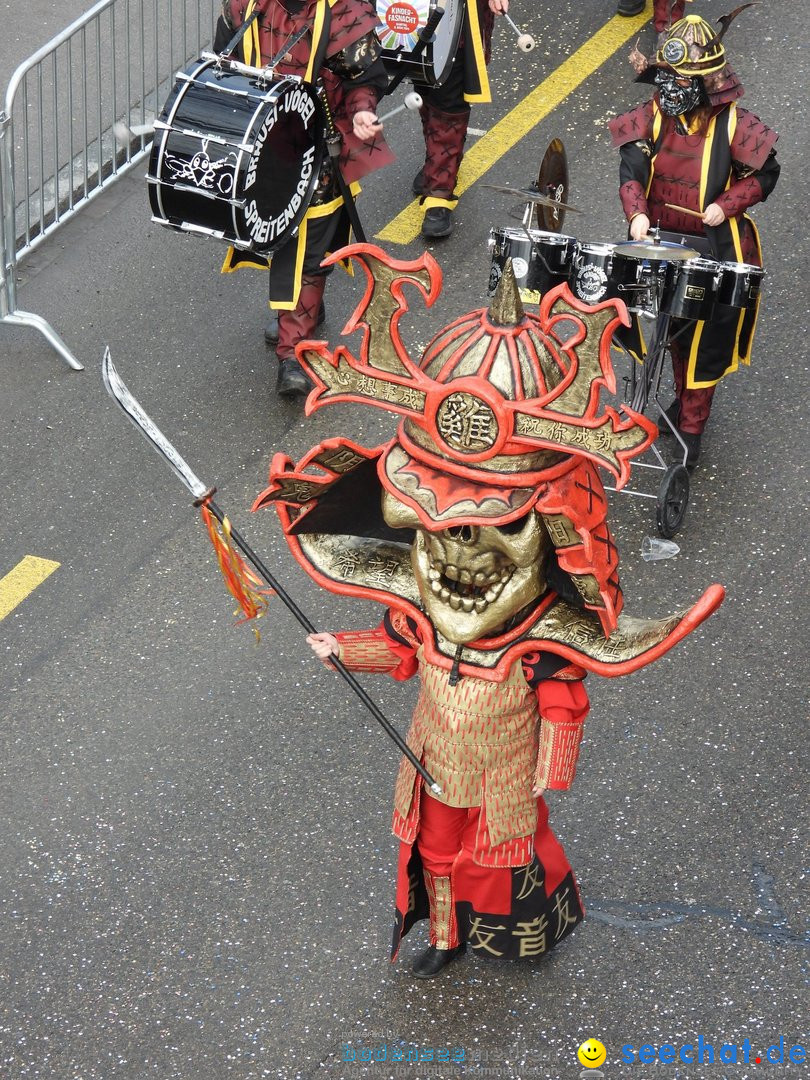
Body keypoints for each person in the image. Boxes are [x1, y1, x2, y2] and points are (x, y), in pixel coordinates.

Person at [253, 246, 724, 978]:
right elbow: (400, 650)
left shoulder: (541, 644)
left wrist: (549, 770)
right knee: (436, 852)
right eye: (432, 524)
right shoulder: (421, 613)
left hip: (505, 772)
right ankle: (442, 938)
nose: (450, 550)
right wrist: (340, 647)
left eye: (493, 522)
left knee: (502, 856)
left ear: (555, 534)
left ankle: (519, 933)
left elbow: (565, 707)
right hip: (434, 758)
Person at [609, 12, 779, 466]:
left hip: (716, 249)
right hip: (660, 240)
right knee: (657, 326)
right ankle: (665, 402)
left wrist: (728, 204)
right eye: (666, 75)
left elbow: (766, 173)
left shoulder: (735, 124)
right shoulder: (655, 114)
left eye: (681, 78)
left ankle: (691, 427)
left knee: (705, 339)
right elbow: (632, 166)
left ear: (706, 82)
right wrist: (636, 214)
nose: (670, 86)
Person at [214, 0, 394, 399]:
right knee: (275, 238)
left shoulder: (343, 8)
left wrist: (363, 111)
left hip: (320, 146)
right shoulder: (244, 5)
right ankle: (298, 312)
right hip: (266, 145)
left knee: (308, 249)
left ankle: (293, 351)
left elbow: (364, 77)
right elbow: (222, 64)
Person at [411, 0, 510, 239]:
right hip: (412, 9)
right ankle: (437, 163)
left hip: (461, 10)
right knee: (422, 80)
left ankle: (439, 194)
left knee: (449, 91)